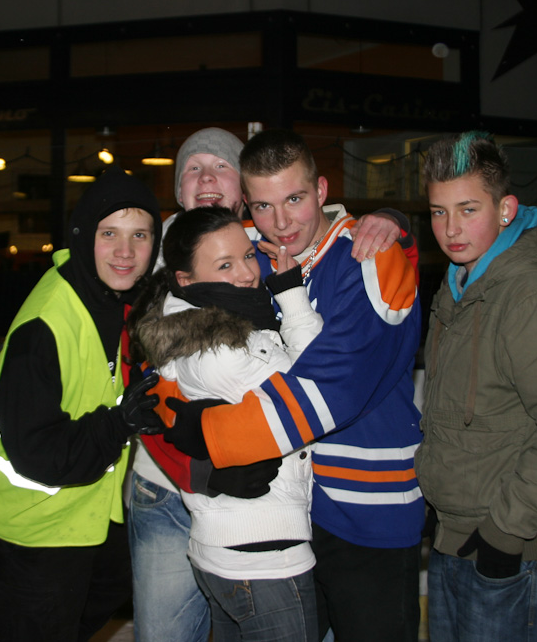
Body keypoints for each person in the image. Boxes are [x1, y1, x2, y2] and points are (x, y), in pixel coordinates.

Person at [127, 126, 414, 642]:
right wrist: (178, 425)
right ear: (247, 204)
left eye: (294, 199)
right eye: (264, 205)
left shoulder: (362, 255)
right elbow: (162, 349)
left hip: (363, 505)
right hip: (286, 507)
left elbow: (327, 392)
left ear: (320, 191)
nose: (280, 221)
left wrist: (207, 435)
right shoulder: (247, 253)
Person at [415, 131, 537, 642]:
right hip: (457, 539)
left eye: (468, 209)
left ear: (505, 209)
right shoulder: (459, 285)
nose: (451, 229)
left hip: (515, 551)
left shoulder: (530, 296)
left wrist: (504, 532)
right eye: (438, 212)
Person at [0, 167, 166, 642]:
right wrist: (119, 423)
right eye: (109, 233)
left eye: (139, 235)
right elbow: (39, 453)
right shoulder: (45, 328)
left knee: (116, 578)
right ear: (83, 236)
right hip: (31, 523)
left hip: (84, 506)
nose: (125, 251)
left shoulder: (114, 300)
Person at [130, 206, 323, 641]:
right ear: (185, 280)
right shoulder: (222, 352)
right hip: (265, 554)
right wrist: (292, 296)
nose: (247, 274)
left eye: (248, 256)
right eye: (224, 265)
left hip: (227, 550)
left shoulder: (213, 326)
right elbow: (317, 388)